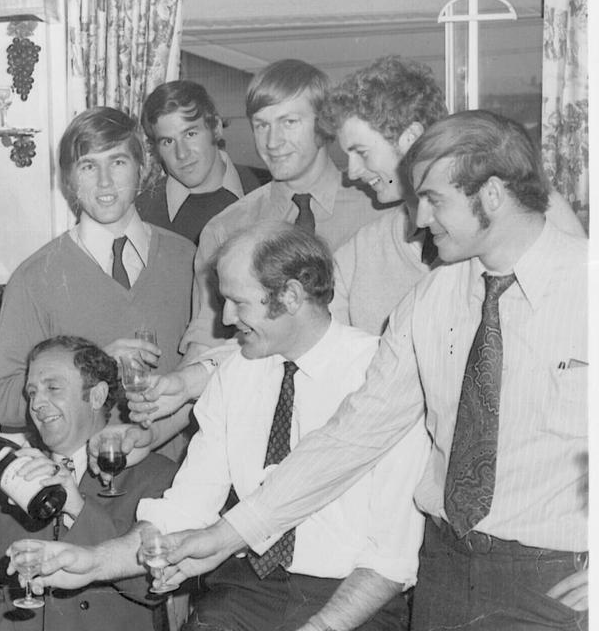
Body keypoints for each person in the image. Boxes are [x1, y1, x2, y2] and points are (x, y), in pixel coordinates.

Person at [160, 111, 589, 630]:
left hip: (556, 579)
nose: (418, 221)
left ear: (492, 195)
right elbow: (352, 434)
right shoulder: (432, 297)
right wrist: (226, 535)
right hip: (446, 573)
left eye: (434, 200)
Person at [8, 223, 429, 631]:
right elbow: (181, 512)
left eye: (238, 302)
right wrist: (92, 562)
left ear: (292, 296)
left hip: (350, 600)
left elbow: (390, 561)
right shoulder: (237, 374)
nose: (225, 318)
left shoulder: (381, 377)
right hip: (247, 590)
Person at [323, 55, 587, 334]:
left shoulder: (524, 212)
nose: (351, 173)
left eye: (361, 153)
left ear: (411, 138)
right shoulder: (361, 250)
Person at [0, 107, 196, 433]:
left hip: (185, 474)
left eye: (118, 162)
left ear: (142, 170)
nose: (104, 181)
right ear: (69, 180)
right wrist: (90, 368)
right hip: (81, 478)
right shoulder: (33, 279)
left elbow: (221, 370)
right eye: (88, 166)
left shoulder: (189, 260)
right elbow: (2, 400)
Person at [0, 336, 178, 631]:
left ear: (96, 396)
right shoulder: (12, 479)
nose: (37, 404)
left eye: (53, 388)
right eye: (32, 393)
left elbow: (151, 587)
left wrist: (77, 508)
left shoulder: (155, 476)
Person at [183, 59, 387, 358]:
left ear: (323, 124)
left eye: (289, 122)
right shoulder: (225, 229)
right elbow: (207, 344)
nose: (272, 141)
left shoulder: (378, 213)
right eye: (261, 125)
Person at [135, 80, 261, 244]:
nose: (182, 154)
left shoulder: (265, 189)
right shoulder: (143, 213)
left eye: (190, 134)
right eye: (168, 142)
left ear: (216, 128)